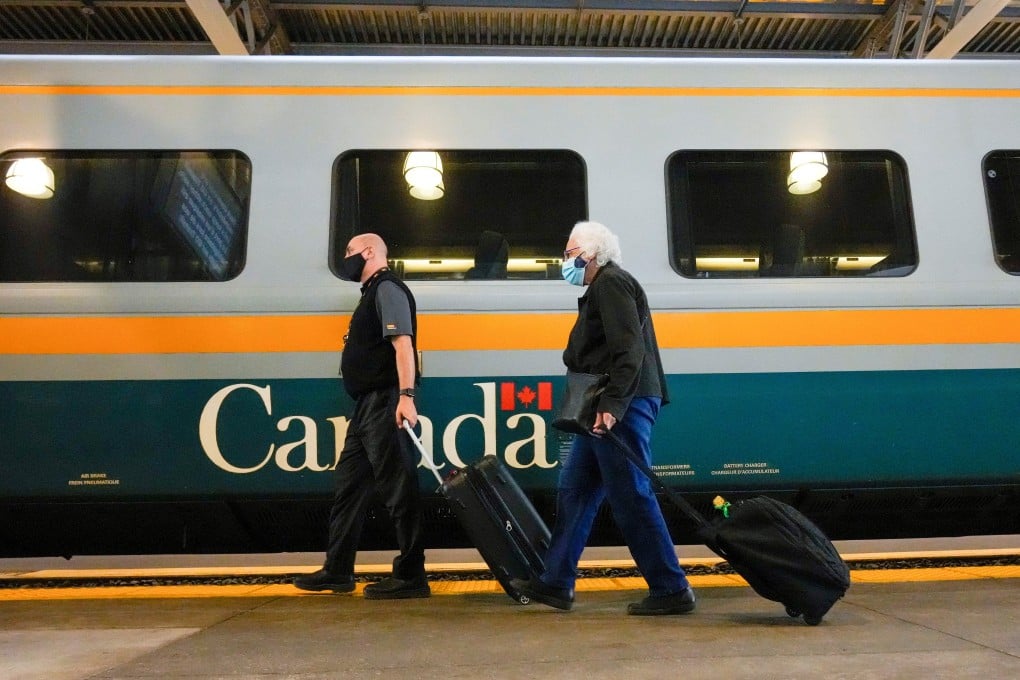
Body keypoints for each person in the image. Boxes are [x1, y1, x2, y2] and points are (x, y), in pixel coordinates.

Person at [510, 221, 696, 615]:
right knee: (575, 491)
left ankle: (671, 588)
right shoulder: (602, 286)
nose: (565, 262)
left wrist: (612, 406)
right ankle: (555, 582)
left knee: (630, 495)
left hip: (620, 404)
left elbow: (630, 350)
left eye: (570, 254)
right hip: (605, 405)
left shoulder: (611, 283)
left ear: (592, 255)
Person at [294, 233, 429, 599]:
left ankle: (411, 575)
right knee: (349, 488)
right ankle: (337, 570)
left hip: (386, 403)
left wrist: (406, 396)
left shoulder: (388, 289)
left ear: (369, 252)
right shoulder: (372, 293)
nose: (346, 258)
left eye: (350, 252)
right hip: (367, 408)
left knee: (399, 488)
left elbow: (404, 344)